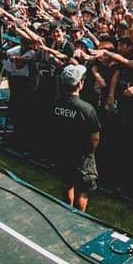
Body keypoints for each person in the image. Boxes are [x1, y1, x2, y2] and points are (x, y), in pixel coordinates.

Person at [48, 64, 102, 212]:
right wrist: (89, 153)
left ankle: (67, 211)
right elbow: (95, 137)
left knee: (67, 183)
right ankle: (78, 218)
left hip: (63, 152)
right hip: (82, 157)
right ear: (80, 84)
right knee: (82, 190)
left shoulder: (55, 103)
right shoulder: (86, 109)